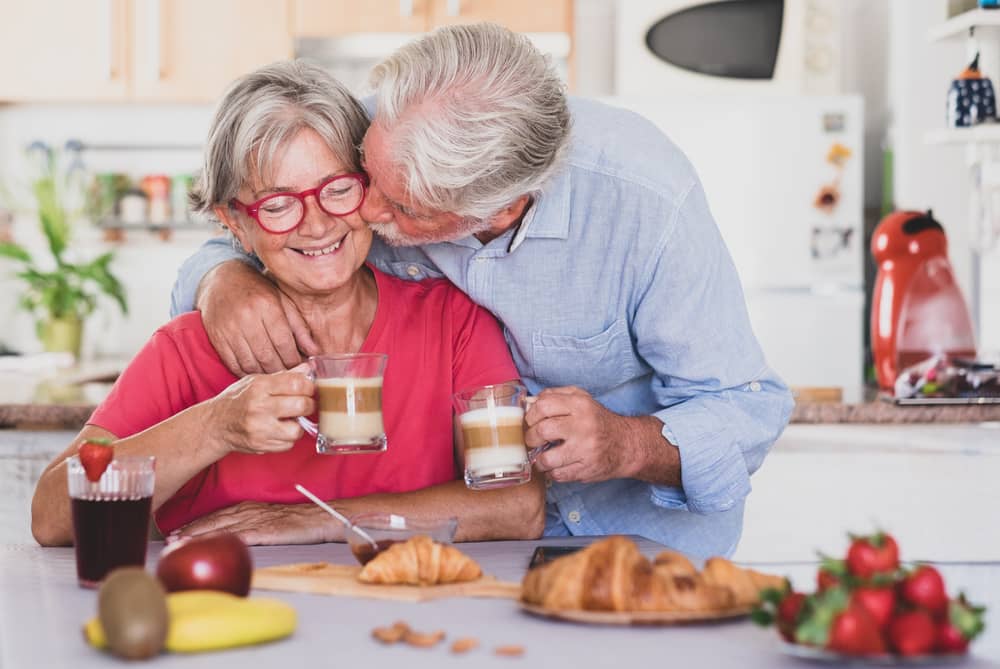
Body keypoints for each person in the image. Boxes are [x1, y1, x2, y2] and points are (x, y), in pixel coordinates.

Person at [171, 24, 795, 559]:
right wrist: (219, 275)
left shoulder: (645, 202)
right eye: (366, 176)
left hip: (638, 546)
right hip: (459, 542)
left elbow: (746, 408)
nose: (361, 209)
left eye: (403, 206)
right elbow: (269, 215)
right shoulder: (385, 130)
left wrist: (625, 444)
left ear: (495, 210)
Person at [30, 60, 545, 548]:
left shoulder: (452, 322)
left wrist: (315, 519)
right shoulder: (186, 351)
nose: (317, 224)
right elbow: (52, 518)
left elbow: (517, 506)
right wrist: (216, 425)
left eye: (338, 189)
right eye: (278, 204)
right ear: (235, 222)